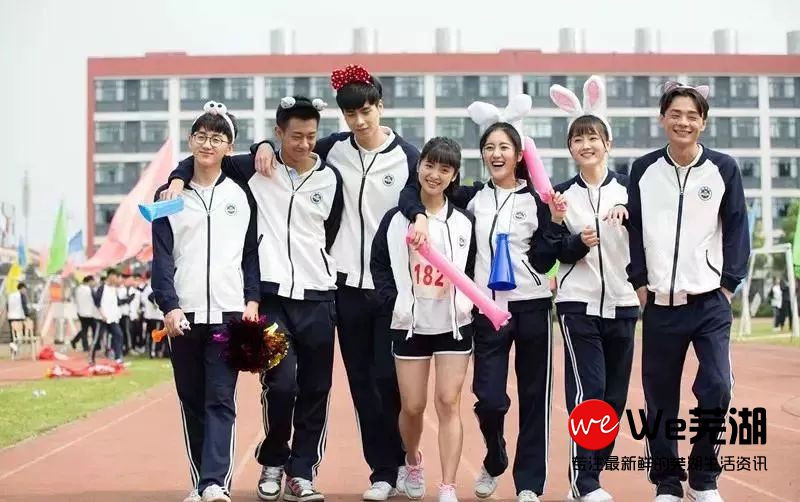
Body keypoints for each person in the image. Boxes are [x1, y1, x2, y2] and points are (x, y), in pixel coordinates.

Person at [252, 64, 418, 501]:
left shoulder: (407, 156)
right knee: (362, 385)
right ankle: (382, 472)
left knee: (389, 381)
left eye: (366, 111)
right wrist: (262, 144)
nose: (359, 121)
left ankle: (405, 460)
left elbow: (431, 196)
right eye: (350, 114)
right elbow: (292, 148)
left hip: (391, 289)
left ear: (380, 107)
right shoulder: (333, 150)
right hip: (342, 288)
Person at [165, 95, 343, 502]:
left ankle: (302, 473)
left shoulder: (330, 179)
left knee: (316, 388)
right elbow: (207, 156)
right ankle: (274, 459)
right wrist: (175, 178)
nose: (304, 144)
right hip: (272, 298)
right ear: (278, 133)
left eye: (311, 136)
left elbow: (330, 231)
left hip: (319, 298)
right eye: (295, 136)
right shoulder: (255, 168)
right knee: (281, 384)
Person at [399, 100, 559, 502]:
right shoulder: (470, 198)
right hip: (487, 311)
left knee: (534, 397)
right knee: (488, 398)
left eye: (504, 147)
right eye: (489, 147)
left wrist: (556, 225)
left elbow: (549, 253)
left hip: (532, 306)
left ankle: (529, 484)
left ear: (519, 154)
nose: (496, 154)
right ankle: (495, 455)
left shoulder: (539, 200)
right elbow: (414, 190)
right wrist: (418, 215)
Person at [626, 81, 749, 502]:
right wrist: (640, 282)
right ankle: (667, 483)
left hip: (710, 300)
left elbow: (737, 227)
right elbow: (634, 229)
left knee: (717, 385)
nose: (683, 122)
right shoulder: (643, 170)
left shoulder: (723, 168)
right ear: (663, 119)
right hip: (660, 303)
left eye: (692, 116)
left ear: (704, 122)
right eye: (675, 114)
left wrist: (729, 283)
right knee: (660, 396)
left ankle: (703, 478)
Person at [151, 100, 261, 502]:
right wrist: (169, 305)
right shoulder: (169, 197)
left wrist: (252, 300)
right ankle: (200, 481)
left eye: (217, 138)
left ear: (229, 147)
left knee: (220, 398)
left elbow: (251, 253)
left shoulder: (242, 194)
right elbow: (161, 256)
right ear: (190, 140)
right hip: (183, 314)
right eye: (201, 136)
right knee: (192, 400)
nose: (208, 144)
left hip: (229, 314)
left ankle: (215, 482)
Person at [545, 76, 640, 502]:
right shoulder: (562, 197)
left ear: (608, 143)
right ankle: (586, 482)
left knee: (614, 399)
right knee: (590, 391)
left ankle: (588, 477)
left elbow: (648, 237)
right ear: (570, 148)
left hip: (623, 302)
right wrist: (572, 238)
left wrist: (629, 212)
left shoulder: (631, 190)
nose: (586, 145)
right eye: (578, 139)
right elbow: (548, 251)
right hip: (578, 304)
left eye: (592, 138)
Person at [371, 137, 475, 502]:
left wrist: (467, 305)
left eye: (444, 169)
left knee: (448, 402)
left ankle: (448, 485)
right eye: (429, 165)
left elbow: (473, 269)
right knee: (413, 406)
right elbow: (379, 266)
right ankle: (413, 460)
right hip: (410, 325)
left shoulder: (464, 222)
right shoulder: (395, 220)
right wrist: (395, 303)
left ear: (454, 175)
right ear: (419, 168)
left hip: (454, 326)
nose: (435, 174)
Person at [89, 269, 125, 365]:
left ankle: (118, 357)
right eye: (116, 277)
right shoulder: (102, 288)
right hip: (101, 319)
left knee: (119, 335)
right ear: (110, 276)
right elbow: (97, 302)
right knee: (97, 339)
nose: (117, 279)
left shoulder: (114, 289)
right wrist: (102, 314)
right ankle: (91, 358)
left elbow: (116, 303)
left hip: (112, 319)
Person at [71, 276, 97, 352]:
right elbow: (95, 300)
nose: (94, 283)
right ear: (90, 281)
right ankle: (92, 345)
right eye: (93, 281)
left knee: (84, 329)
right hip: (90, 313)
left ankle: (82, 344)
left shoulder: (78, 289)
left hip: (81, 312)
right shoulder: (90, 290)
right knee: (93, 329)